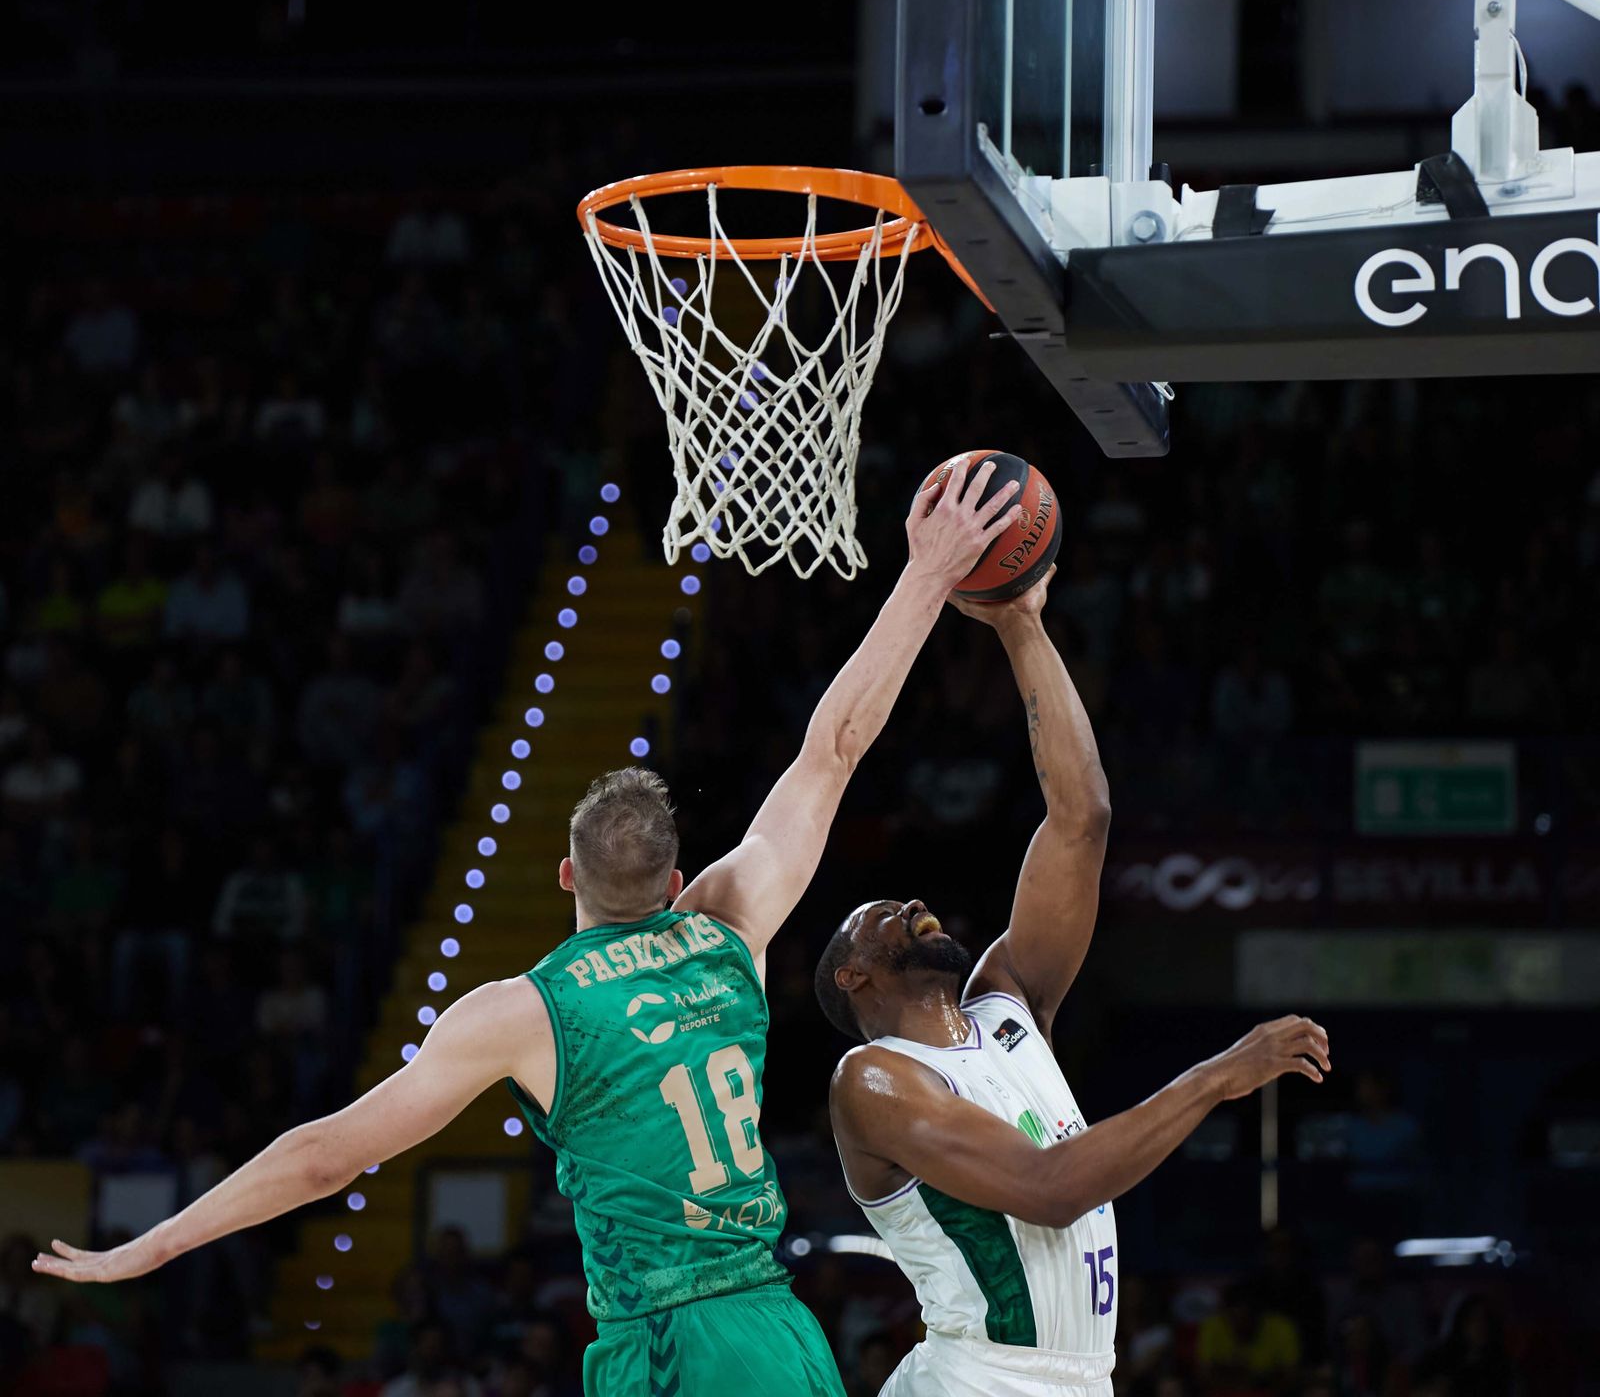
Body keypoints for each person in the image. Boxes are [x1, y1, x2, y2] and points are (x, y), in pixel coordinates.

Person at [31, 457, 1026, 1397]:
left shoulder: (521, 1011)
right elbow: (836, 745)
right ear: (677, 877)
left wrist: (154, 1244)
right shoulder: (731, 921)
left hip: (669, 1342)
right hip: (777, 1326)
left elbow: (326, 1157)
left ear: (565, 874)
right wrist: (927, 574)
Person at [817, 572, 1332, 1397]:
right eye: (882, 913)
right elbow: (1045, 1189)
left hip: (1080, 1379)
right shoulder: (875, 1078)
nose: (914, 904)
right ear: (854, 976)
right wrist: (1215, 1078)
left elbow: (1081, 817)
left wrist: (1022, 626)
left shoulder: (1008, 998)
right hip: (978, 1380)